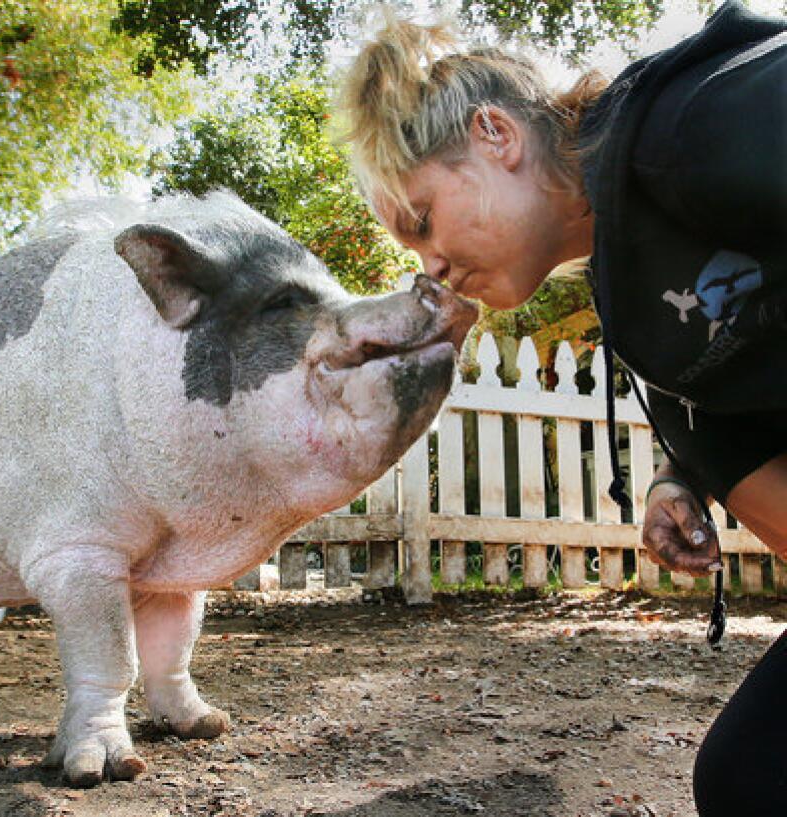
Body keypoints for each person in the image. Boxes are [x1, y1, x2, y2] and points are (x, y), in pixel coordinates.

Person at [337, 2, 786, 814]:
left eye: (424, 221)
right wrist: (680, 475)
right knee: (748, 778)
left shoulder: (698, 124)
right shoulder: (635, 281)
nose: (431, 267)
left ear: (495, 136)